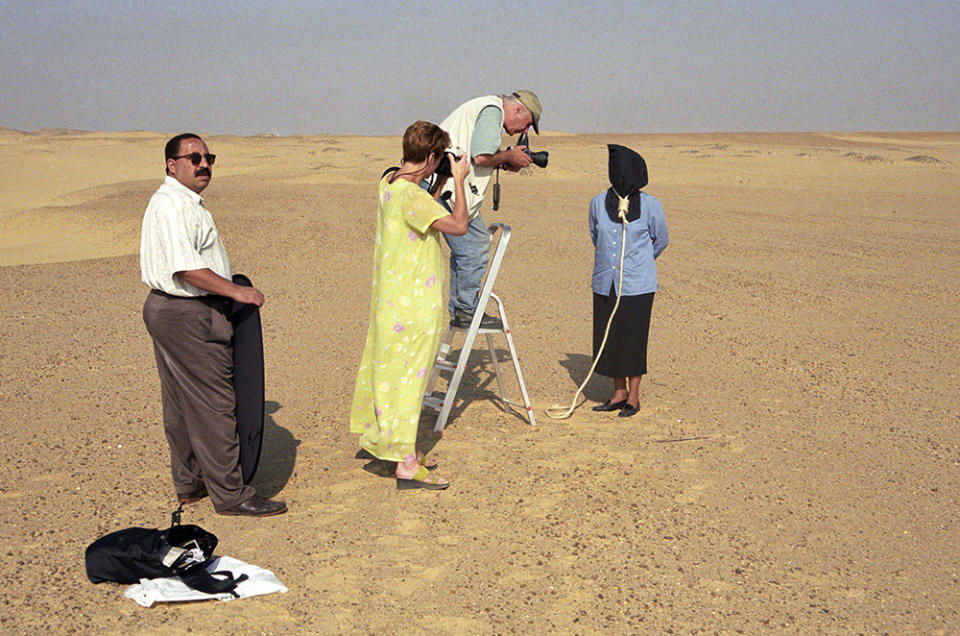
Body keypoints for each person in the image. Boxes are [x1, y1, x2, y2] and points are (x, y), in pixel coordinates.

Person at [140, 133, 286, 516]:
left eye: (208, 157)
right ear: (172, 164)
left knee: (181, 401)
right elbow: (187, 269)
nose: (203, 164)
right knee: (215, 404)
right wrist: (237, 293)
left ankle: (190, 484)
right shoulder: (173, 205)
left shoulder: (181, 202)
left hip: (169, 310)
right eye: (193, 158)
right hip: (187, 313)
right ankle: (231, 494)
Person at [350, 121, 469, 490]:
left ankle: (401, 449)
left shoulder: (388, 185)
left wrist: (439, 181)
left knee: (390, 377)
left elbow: (419, 208)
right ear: (432, 156)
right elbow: (459, 225)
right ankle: (406, 465)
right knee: (410, 383)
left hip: (391, 305)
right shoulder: (414, 197)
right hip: (415, 307)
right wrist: (461, 180)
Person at [438, 90, 543, 329]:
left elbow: (479, 156)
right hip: (446, 189)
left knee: (474, 246)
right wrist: (508, 155)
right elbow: (482, 156)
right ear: (518, 109)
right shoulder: (493, 111)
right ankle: (465, 310)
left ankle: (463, 308)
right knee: (473, 247)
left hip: (453, 189)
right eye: (527, 124)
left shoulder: (486, 109)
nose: (523, 132)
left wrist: (506, 162)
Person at [589, 144, 668, 418]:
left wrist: (639, 262)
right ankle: (617, 392)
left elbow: (661, 240)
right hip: (605, 283)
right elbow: (595, 235)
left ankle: (633, 396)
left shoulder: (651, 205)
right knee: (609, 337)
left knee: (633, 339)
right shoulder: (598, 203)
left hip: (638, 285)